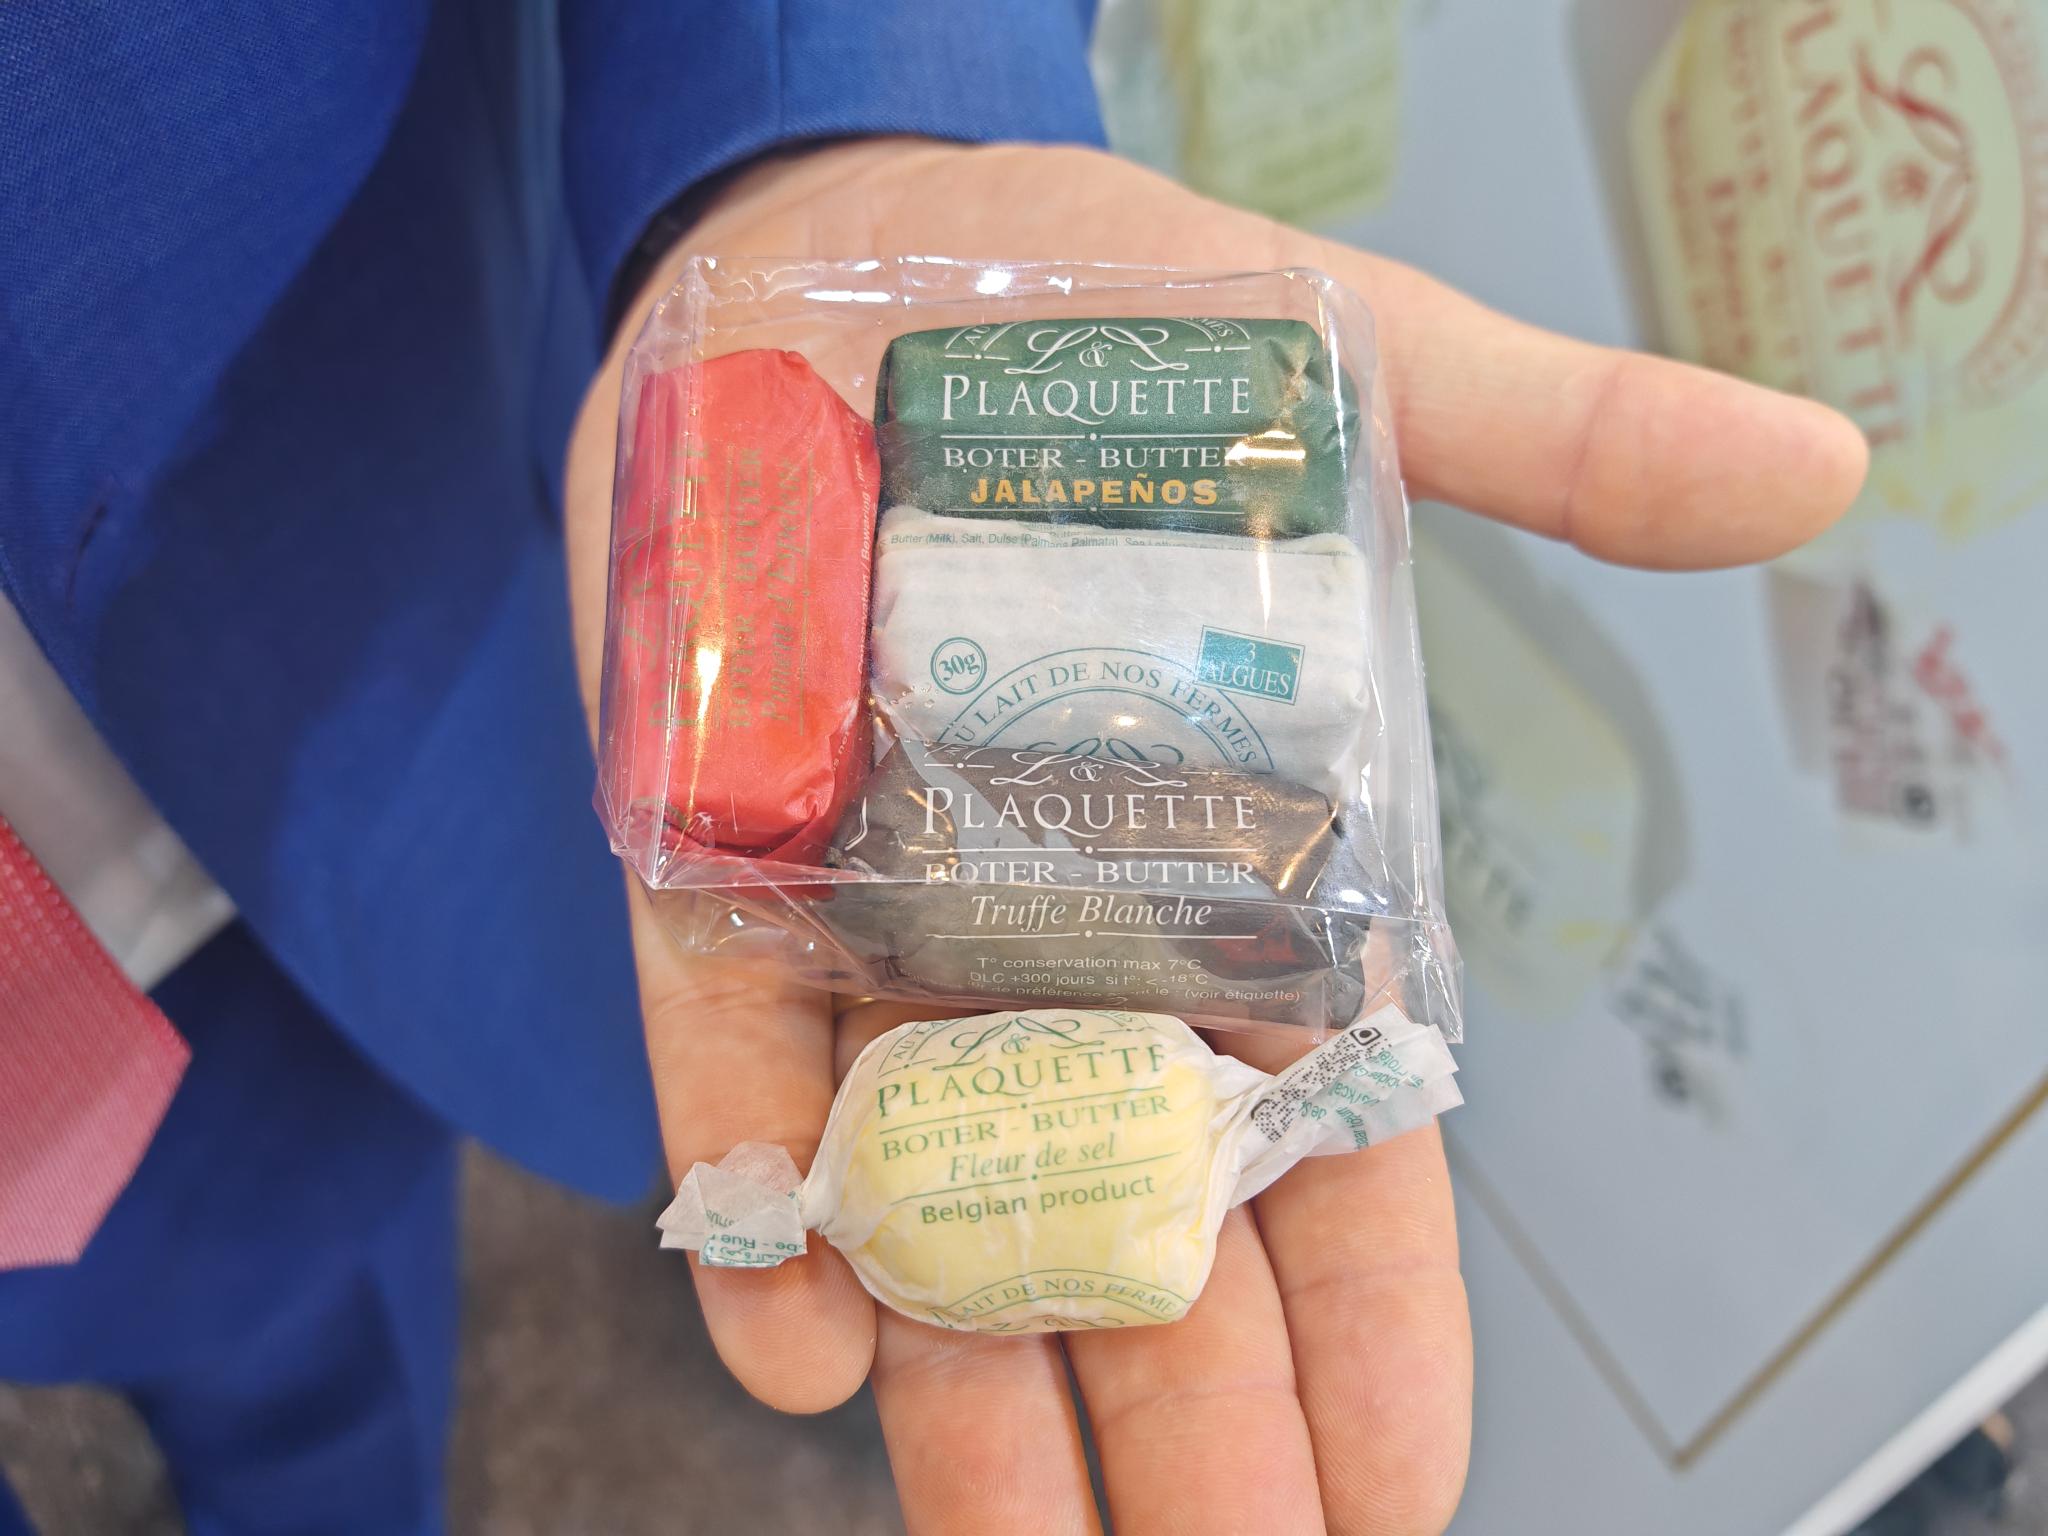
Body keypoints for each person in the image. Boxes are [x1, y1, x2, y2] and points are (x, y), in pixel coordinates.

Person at [0, 5, 1867, 1534]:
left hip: (371, 569)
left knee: (323, 1304)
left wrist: (822, 115)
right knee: (208, 1256)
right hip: (119, 1026)